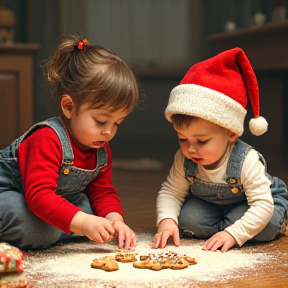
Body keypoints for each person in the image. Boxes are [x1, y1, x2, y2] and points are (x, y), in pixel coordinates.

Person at [0, 35, 139, 250]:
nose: (109, 131)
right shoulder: (46, 138)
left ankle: (57, 230)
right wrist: (83, 223)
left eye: (117, 123)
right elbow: (39, 196)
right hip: (13, 194)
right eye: (101, 121)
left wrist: (116, 222)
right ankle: (55, 231)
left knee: (91, 212)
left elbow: (103, 193)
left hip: (52, 200)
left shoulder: (100, 148)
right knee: (25, 219)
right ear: (68, 106)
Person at [152, 47, 288, 252]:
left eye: (202, 141)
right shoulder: (185, 157)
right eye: (182, 138)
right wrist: (166, 220)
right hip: (212, 205)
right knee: (187, 220)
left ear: (232, 133)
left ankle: (271, 219)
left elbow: (261, 205)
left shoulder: (246, 160)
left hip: (258, 203)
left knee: (266, 225)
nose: (190, 149)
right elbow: (171, 191)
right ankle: (231, 223)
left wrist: (233, 234)